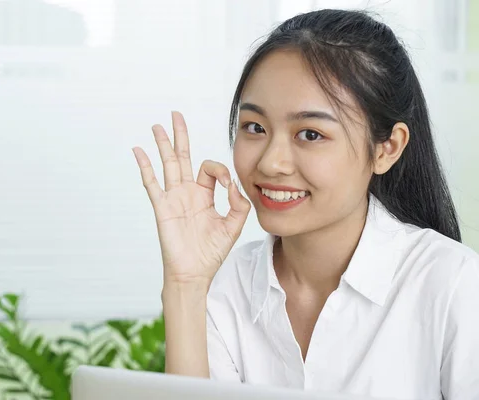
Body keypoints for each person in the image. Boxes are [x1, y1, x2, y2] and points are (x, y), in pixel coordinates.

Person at [131, 9, 479, 400]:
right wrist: (185, 286)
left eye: (310, 134)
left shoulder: (454, 285)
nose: (270, 162)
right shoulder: (227, 290)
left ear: (388, 148)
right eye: (255, 128)